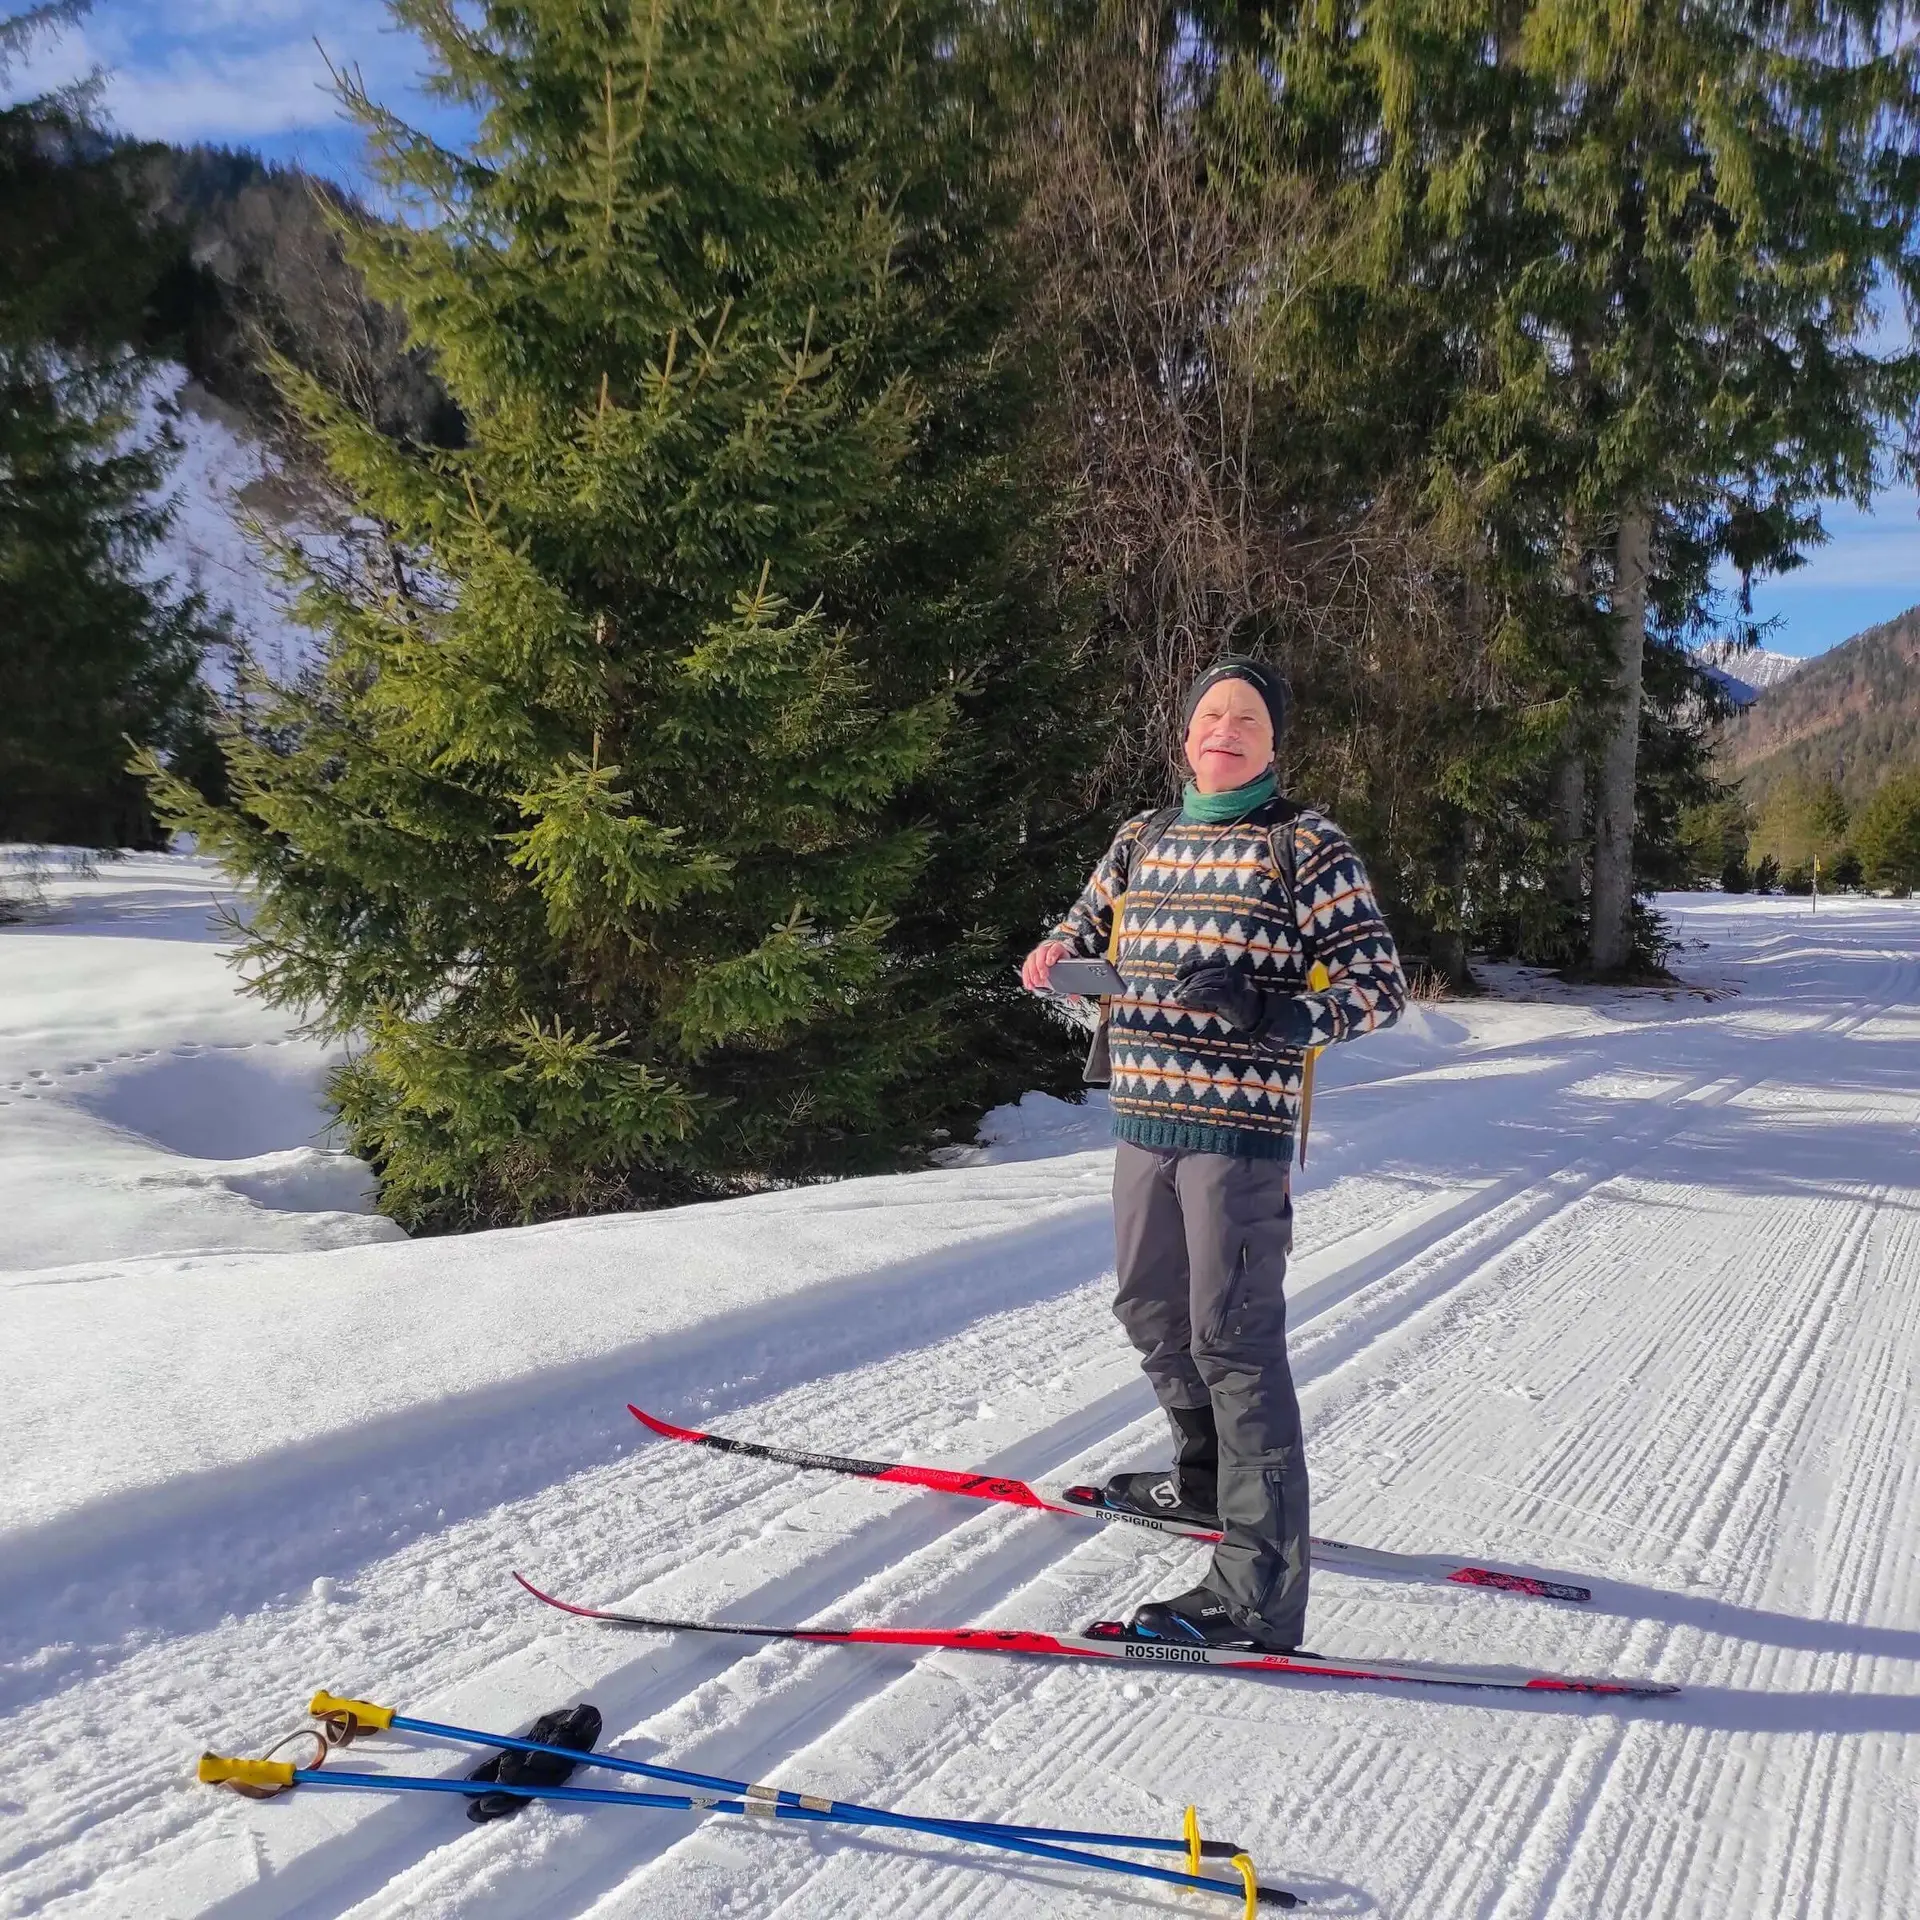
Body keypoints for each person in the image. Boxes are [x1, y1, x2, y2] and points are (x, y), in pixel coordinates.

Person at [1022, 657, 1406, 1650]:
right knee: (1150, 1309)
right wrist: (1053, 959)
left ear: (1275, 742)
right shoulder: (1141, 836)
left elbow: (1377, 987)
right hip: (1144, 1117)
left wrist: (1276, 1010)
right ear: (1185, 735)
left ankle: (1258, 1593)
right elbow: (1082, 924)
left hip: (1237, 1134)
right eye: (1208, 716)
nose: (1223, 729)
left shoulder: (1303, 845)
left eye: (1246, 718)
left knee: (1232, 1338)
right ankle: (1203, 1483)